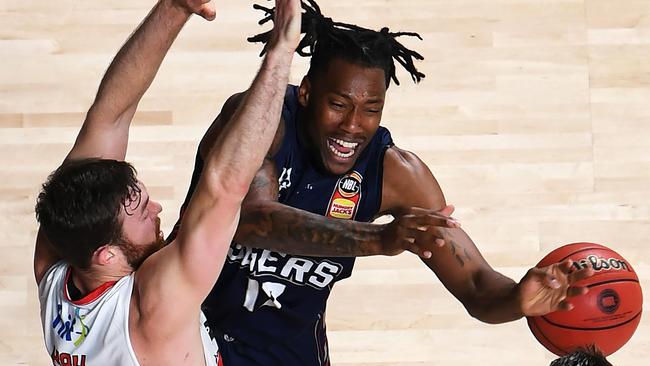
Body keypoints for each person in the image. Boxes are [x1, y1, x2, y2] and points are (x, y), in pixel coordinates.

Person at [169, 1, 594, 365]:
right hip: (176, 334)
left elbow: (478, 287)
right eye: (338, 105)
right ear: (306, 93)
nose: (353, 126)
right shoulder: (261, 122)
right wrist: (377, 239)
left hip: (288, 354)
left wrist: (518, 300)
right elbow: (250, 218)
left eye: (371, 109)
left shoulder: (398, 176)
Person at [33, 0, 303, 364]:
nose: (157, 208)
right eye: (143, 213)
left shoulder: (55, 264)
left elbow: (109, 115)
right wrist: (280, 53)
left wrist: (176, 7)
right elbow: (224, 188)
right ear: (107, 254)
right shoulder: (152, 309)